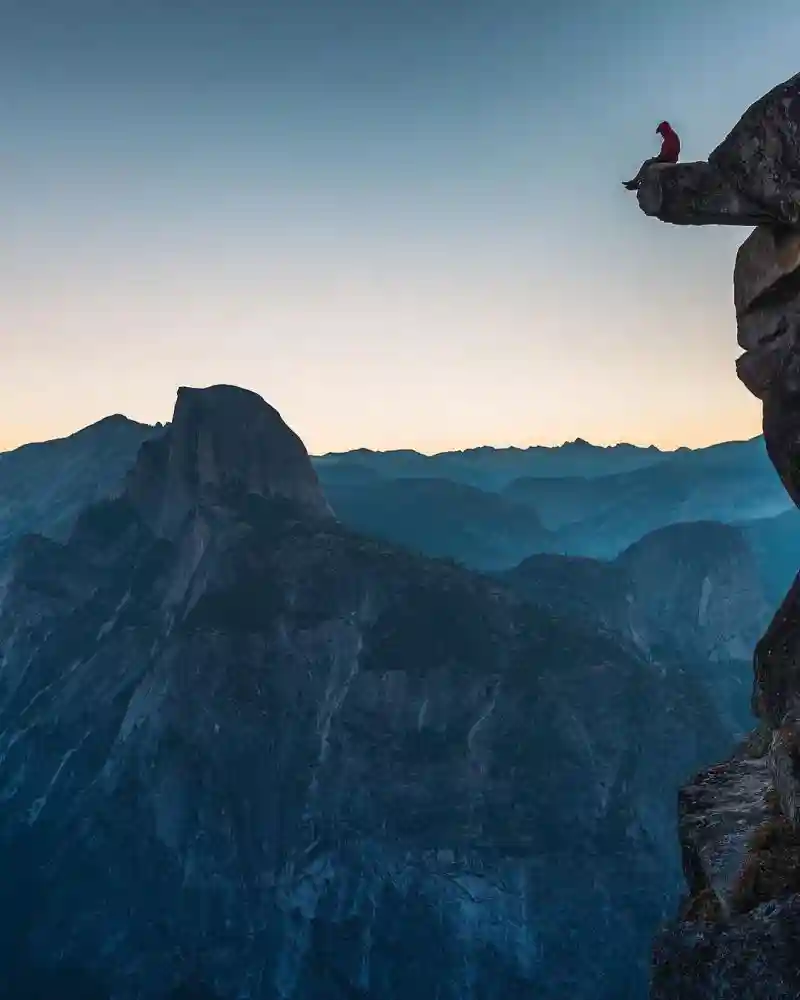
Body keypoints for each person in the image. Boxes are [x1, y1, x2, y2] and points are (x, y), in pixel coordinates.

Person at [622, 121, 681, 190]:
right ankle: (636, 182)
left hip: (669, 160)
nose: (661, 134)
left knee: (647, 163)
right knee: (649, 163)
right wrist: (659, 157)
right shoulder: (669, 138)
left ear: (665, 130)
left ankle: (636, 182)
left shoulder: (671, 137)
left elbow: (671, 152)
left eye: (661, 131)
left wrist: (659, 158)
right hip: (666, 159)